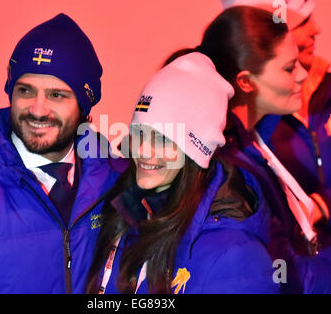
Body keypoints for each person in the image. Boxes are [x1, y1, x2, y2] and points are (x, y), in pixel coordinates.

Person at [0, 13, 126, 293]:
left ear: (84, 105)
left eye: (56, 95)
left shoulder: (122, 184)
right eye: (25, 91)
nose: (37, 109)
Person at [86, 52, 279, 294]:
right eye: (140, 133)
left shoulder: (236, 259)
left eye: (163, 140)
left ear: (196, 152)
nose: (144, 151)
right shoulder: (125, 214)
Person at [194, 6, 331, 293]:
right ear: (245, 81)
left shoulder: (251, 140)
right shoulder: (231, 166)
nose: (303, 75)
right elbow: (287, 275)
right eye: (289, 67)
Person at [219, 0, 331, 236]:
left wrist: (321, 206)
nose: (317, 29)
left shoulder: (325, 86)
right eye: (302, 22)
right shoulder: (229, 150)